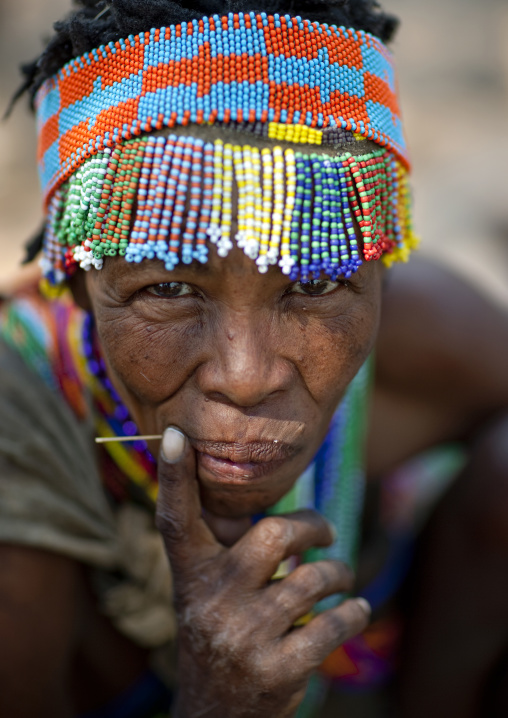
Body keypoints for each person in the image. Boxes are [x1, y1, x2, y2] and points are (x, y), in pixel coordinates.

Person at [0, 1, 507, 717]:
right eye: (168, 289)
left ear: (383, 278)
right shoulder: (18, 431)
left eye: (316, 283)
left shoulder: (424, 342)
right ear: (80, 289)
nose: (244, 376)